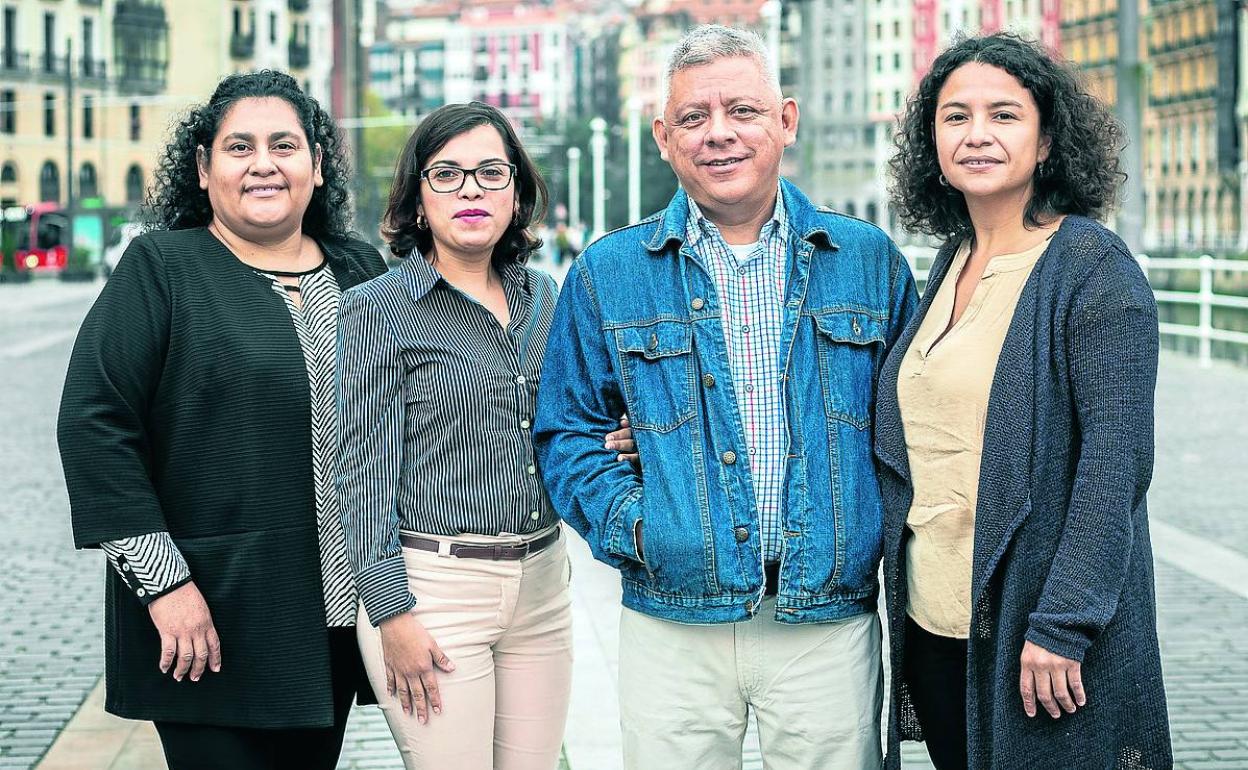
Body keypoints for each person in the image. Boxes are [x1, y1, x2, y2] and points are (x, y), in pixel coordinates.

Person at [533, 25, 917, 770]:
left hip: (826, 623)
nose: (719, 135)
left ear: (786, 120)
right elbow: (569, 432)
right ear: (663, 137)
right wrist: (641, 528)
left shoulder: (867, 262)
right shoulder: (609, 273)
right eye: (693, 118)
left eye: (743, 110)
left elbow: (911, 429)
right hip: (672, 624)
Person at [57, 71, 386, 769]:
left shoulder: (362, 270)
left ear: (317, 165)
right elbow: (95, 424)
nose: (263, 164)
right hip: (205, 619)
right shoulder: (162, 268)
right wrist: (165, 585)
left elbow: (430, 401)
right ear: (204, 169)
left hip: (332, 622)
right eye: (239, 147)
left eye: (284, 145)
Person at [877, 33, 1172, 770]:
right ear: (932, 144)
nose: (977, 135)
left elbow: (1117, 463)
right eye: (955, 117)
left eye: (1004, 115)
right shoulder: (948, 264)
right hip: (938, 626)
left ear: (1045, 143)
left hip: (1038, 636)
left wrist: (1064, 624)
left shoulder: (1091, 270)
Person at [334, 101, 636, 770]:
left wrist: (624, 437)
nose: (471, 188)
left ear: (516, 193)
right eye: (447, 174)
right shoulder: (375, 311)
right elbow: (361, 479)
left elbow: (578, 422)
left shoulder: (547, 298)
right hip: (433, 593)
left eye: (491, 172)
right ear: (417, 199)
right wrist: (391, 614)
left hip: (541, 586)